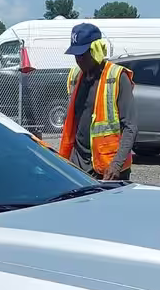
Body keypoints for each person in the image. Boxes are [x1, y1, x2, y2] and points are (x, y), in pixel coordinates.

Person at [58, 22, 138, 181]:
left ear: (96, 51)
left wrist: (116, 165)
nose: (78, 60)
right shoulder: (75, 76)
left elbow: (130, 126)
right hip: (78, 164)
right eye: (75, 55)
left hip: (108, 170)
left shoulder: (116, 77)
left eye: (82, 54)